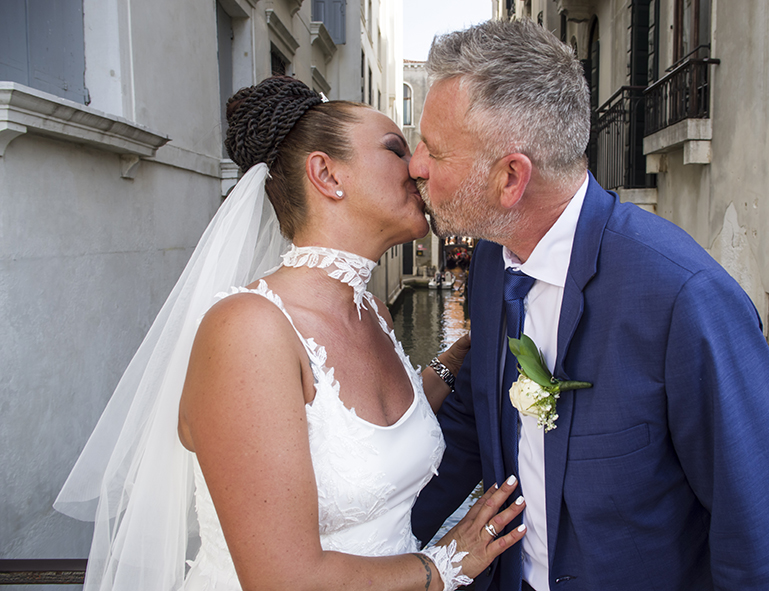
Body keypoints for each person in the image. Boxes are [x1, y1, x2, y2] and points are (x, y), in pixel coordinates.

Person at [54, 77, 526, 591]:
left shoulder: (372, 314)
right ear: (326, 174)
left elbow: (363, 437)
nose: (417, 166)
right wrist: (444, 565)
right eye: (395, 150)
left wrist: (454, 359)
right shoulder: (249, 331)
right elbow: (285, 578)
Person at [409, 20, 769, 591]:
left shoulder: (686, 299)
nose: (416, 165)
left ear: (510, 179)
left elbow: (758, 531)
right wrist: (382, 549)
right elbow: (478, 418)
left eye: (435, 150)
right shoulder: (494, 263)